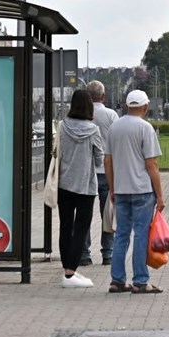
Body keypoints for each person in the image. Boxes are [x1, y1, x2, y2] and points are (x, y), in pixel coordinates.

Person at [104, 89, 165, 294]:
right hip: (142, 190)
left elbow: (108, 161)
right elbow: (152, 164)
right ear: (145, 107)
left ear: (126, 106)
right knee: (141, 235)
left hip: (121, 190)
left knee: (121, 235)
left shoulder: (114, 127)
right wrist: (160, 194)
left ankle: (117, 280)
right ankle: (140, 281)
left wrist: (113, 188)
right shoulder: (145, 128)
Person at [57, 89, 104, 289]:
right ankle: (71, 272)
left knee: (65, 226)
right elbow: (99, 157)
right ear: (89, 107)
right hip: (85, 186)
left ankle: (67, 269)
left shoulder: (62, 126)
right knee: (81, 229)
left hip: (64, 184)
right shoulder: (93, 130)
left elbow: (57, 151)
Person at [81, 80, 119, 267]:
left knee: (84, 213)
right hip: (107, 171)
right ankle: (108, 254)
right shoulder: (111, 115)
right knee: (108, 214)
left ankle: (84, 254)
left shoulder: (83, 115)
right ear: (103, 97)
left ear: (87, 97)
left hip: (86, 172)